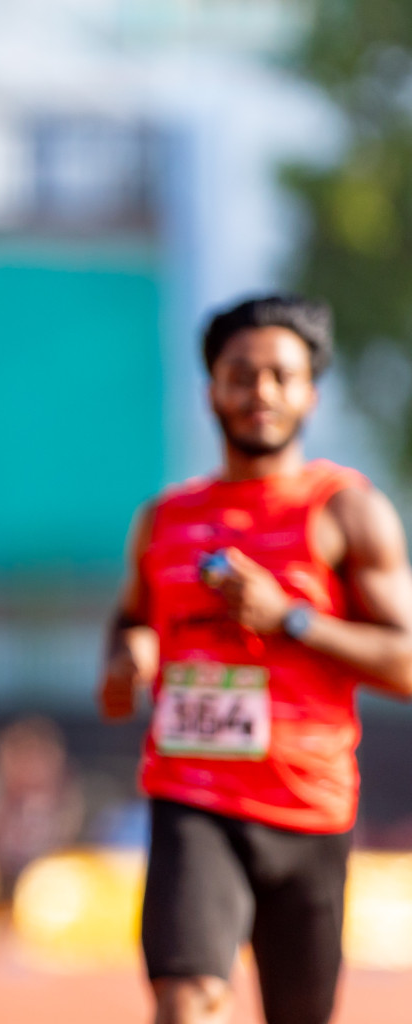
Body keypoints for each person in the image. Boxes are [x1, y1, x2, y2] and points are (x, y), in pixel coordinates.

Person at [100, 296, 412, 1024]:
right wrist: (127, 660)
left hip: (309, 808)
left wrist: (291, 619)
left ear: (310, 392)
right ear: (211, 388)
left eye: (281, 375)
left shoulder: (344, 511)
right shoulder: (166, 518)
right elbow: (133, 623)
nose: (260, 393)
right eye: (241, 375)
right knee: (187, 1001)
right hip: (193, 797)